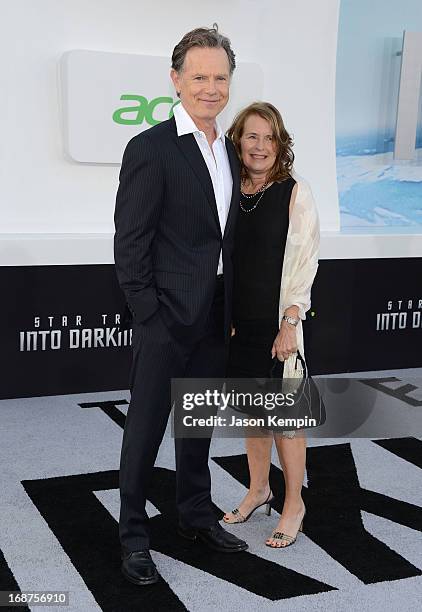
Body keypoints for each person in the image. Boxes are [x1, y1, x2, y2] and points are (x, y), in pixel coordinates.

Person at [114, 26, 248, 586]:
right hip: (166, 318)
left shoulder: (234, 151)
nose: (211, 88)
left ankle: (195, 516)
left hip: (217, 315)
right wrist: (152, 314)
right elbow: (130, 243)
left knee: (197, 427)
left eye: (220, 77)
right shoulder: (149, 148)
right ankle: (132, 535)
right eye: (199, 77)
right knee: (144, 431)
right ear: (175, 80)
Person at [222, 102, 320, 548]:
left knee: (286, 421)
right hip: (239, 325)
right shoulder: (230, 189)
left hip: (279, 326)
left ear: (280, 144)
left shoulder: (294, 192)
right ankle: (259, 490)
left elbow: (304, 263)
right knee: (252, 416)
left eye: (269, 138)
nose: (260, 146)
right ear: (238, 140)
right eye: (252, 136)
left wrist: (290, 322)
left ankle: (293, 503)